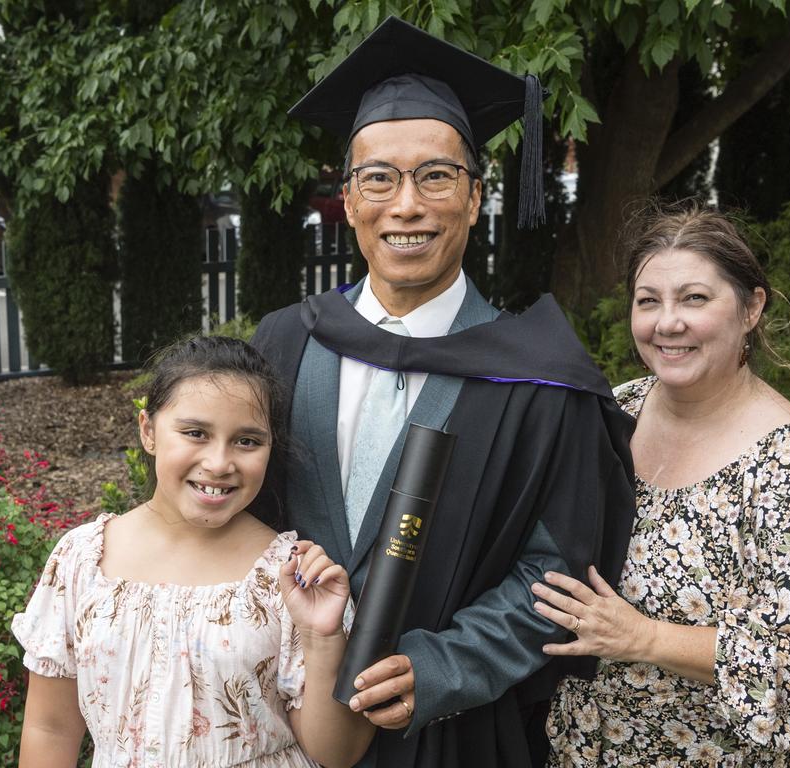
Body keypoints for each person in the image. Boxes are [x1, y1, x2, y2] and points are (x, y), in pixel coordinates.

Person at [250, 16, 636, 768]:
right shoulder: (284, 344)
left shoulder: (539, 378)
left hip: (446, 735)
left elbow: (554, 574)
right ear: (350, 199)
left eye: (436, 176)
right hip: (282, 715)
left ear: (473, 197)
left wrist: (444, 667)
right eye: (379, 178)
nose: (407, 205)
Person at [531, 204, 790, 767]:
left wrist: (643, 638)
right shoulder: (615, 413)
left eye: (694, 298)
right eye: (649, 301)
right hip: (580, 745)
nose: (667, 322)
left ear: (752, 307)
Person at [12, 336, 373, 768]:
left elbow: (337, 753)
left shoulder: (292, 577)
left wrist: (322, 639)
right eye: (195, 433)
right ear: (148, 430)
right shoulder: (82, 559)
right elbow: (50, 728)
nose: (219, 463)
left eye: (247, 441)